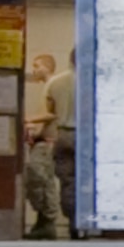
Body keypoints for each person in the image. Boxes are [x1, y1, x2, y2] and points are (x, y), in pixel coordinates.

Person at [22, 54, 59, 239]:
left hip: (48, 141)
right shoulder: (47, 87)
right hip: (43, 138)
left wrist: (29, 120)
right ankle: (44, 221)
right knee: (42, 180)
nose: (35, 70)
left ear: (47, 66)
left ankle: (47, 220)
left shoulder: (52, 85)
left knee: (40, 178)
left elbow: (52, 113)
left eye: (37, 66)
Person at [44, 51, 78, 237]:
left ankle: (72, 220)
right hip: (87, 136)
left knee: (67, 181)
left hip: (64, 134)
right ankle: (86, 220)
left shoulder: (55, 82)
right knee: (88, 180)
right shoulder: (93, 80)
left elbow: (50, 113)